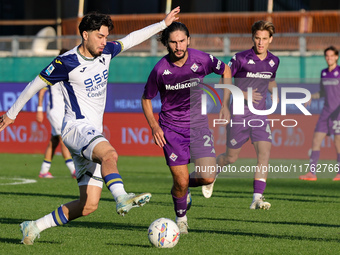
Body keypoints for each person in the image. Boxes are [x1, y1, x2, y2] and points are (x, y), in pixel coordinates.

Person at [0, 7, 180, 245]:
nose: (105, 42)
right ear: (85, 35)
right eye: (100, 36)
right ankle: (121, 196)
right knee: (110, 154)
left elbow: (132, 38)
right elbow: (35, 84)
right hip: (76, 128)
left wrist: (162, 24)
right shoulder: (65, 62)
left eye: (106, 36)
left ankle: (33, 226)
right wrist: (11, 114)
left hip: (91, 133)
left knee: (89, 205)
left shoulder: (106, 53)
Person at [142, 22, 229, 234]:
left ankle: (183, 190)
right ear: (167, 44)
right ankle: (181, 218)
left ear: (188, 40)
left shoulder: (202, 59)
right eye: (173, 42)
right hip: (171, 130)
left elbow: (226, 70)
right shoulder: (160, 70)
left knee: (208, 176)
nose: (178, 46)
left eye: (182, 41)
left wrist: (225, 104)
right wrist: (154, 127)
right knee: (180, 181)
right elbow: (146, 99)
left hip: (199, 126)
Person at [207, 20, 280, 210]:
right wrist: (227, 103)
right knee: (231, 158)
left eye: (264, 39)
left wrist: (277, 93)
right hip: (239, 114)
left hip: (259, 115)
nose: (260, 43)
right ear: (252, 38)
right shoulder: (240, 58)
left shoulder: (274, 61)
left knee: (264, 154)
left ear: (270, 39)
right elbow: (225, 77)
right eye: (257, 38)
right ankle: (212, 170)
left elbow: (270, 81)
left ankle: (257, 198)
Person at [299, 46, 340, 181]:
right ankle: (312, 173)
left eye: (332, 56)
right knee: (316, 140)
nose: (329, 58)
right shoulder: (323, 73)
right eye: (327, 56)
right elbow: (322, 92)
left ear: (336, 57)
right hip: (326, 113)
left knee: (338, 142)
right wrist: (311, 96)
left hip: (337, 113)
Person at [36, 48, 76, 179]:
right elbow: (41, 90)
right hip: (55, 112)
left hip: (60, 112)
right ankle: (73, 170)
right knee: (63, 139)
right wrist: (39, 110)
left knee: (54, 141)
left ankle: (44, 170)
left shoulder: (68, 70)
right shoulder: (55, 70)